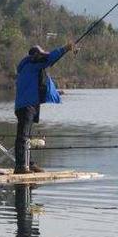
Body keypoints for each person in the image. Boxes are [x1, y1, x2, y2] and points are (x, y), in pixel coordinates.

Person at [14, 42, 74, 174]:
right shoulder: (32, 64)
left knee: (27, 136)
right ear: (35, 55)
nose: (43, 56)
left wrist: (56, 92)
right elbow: (51, 58)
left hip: (29, 104)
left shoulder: (30, 67)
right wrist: (65, 48)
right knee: (23, 136)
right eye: (40, 54)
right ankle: (20, 166)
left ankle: (29, 163)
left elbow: (39, 86)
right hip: (26, 105)